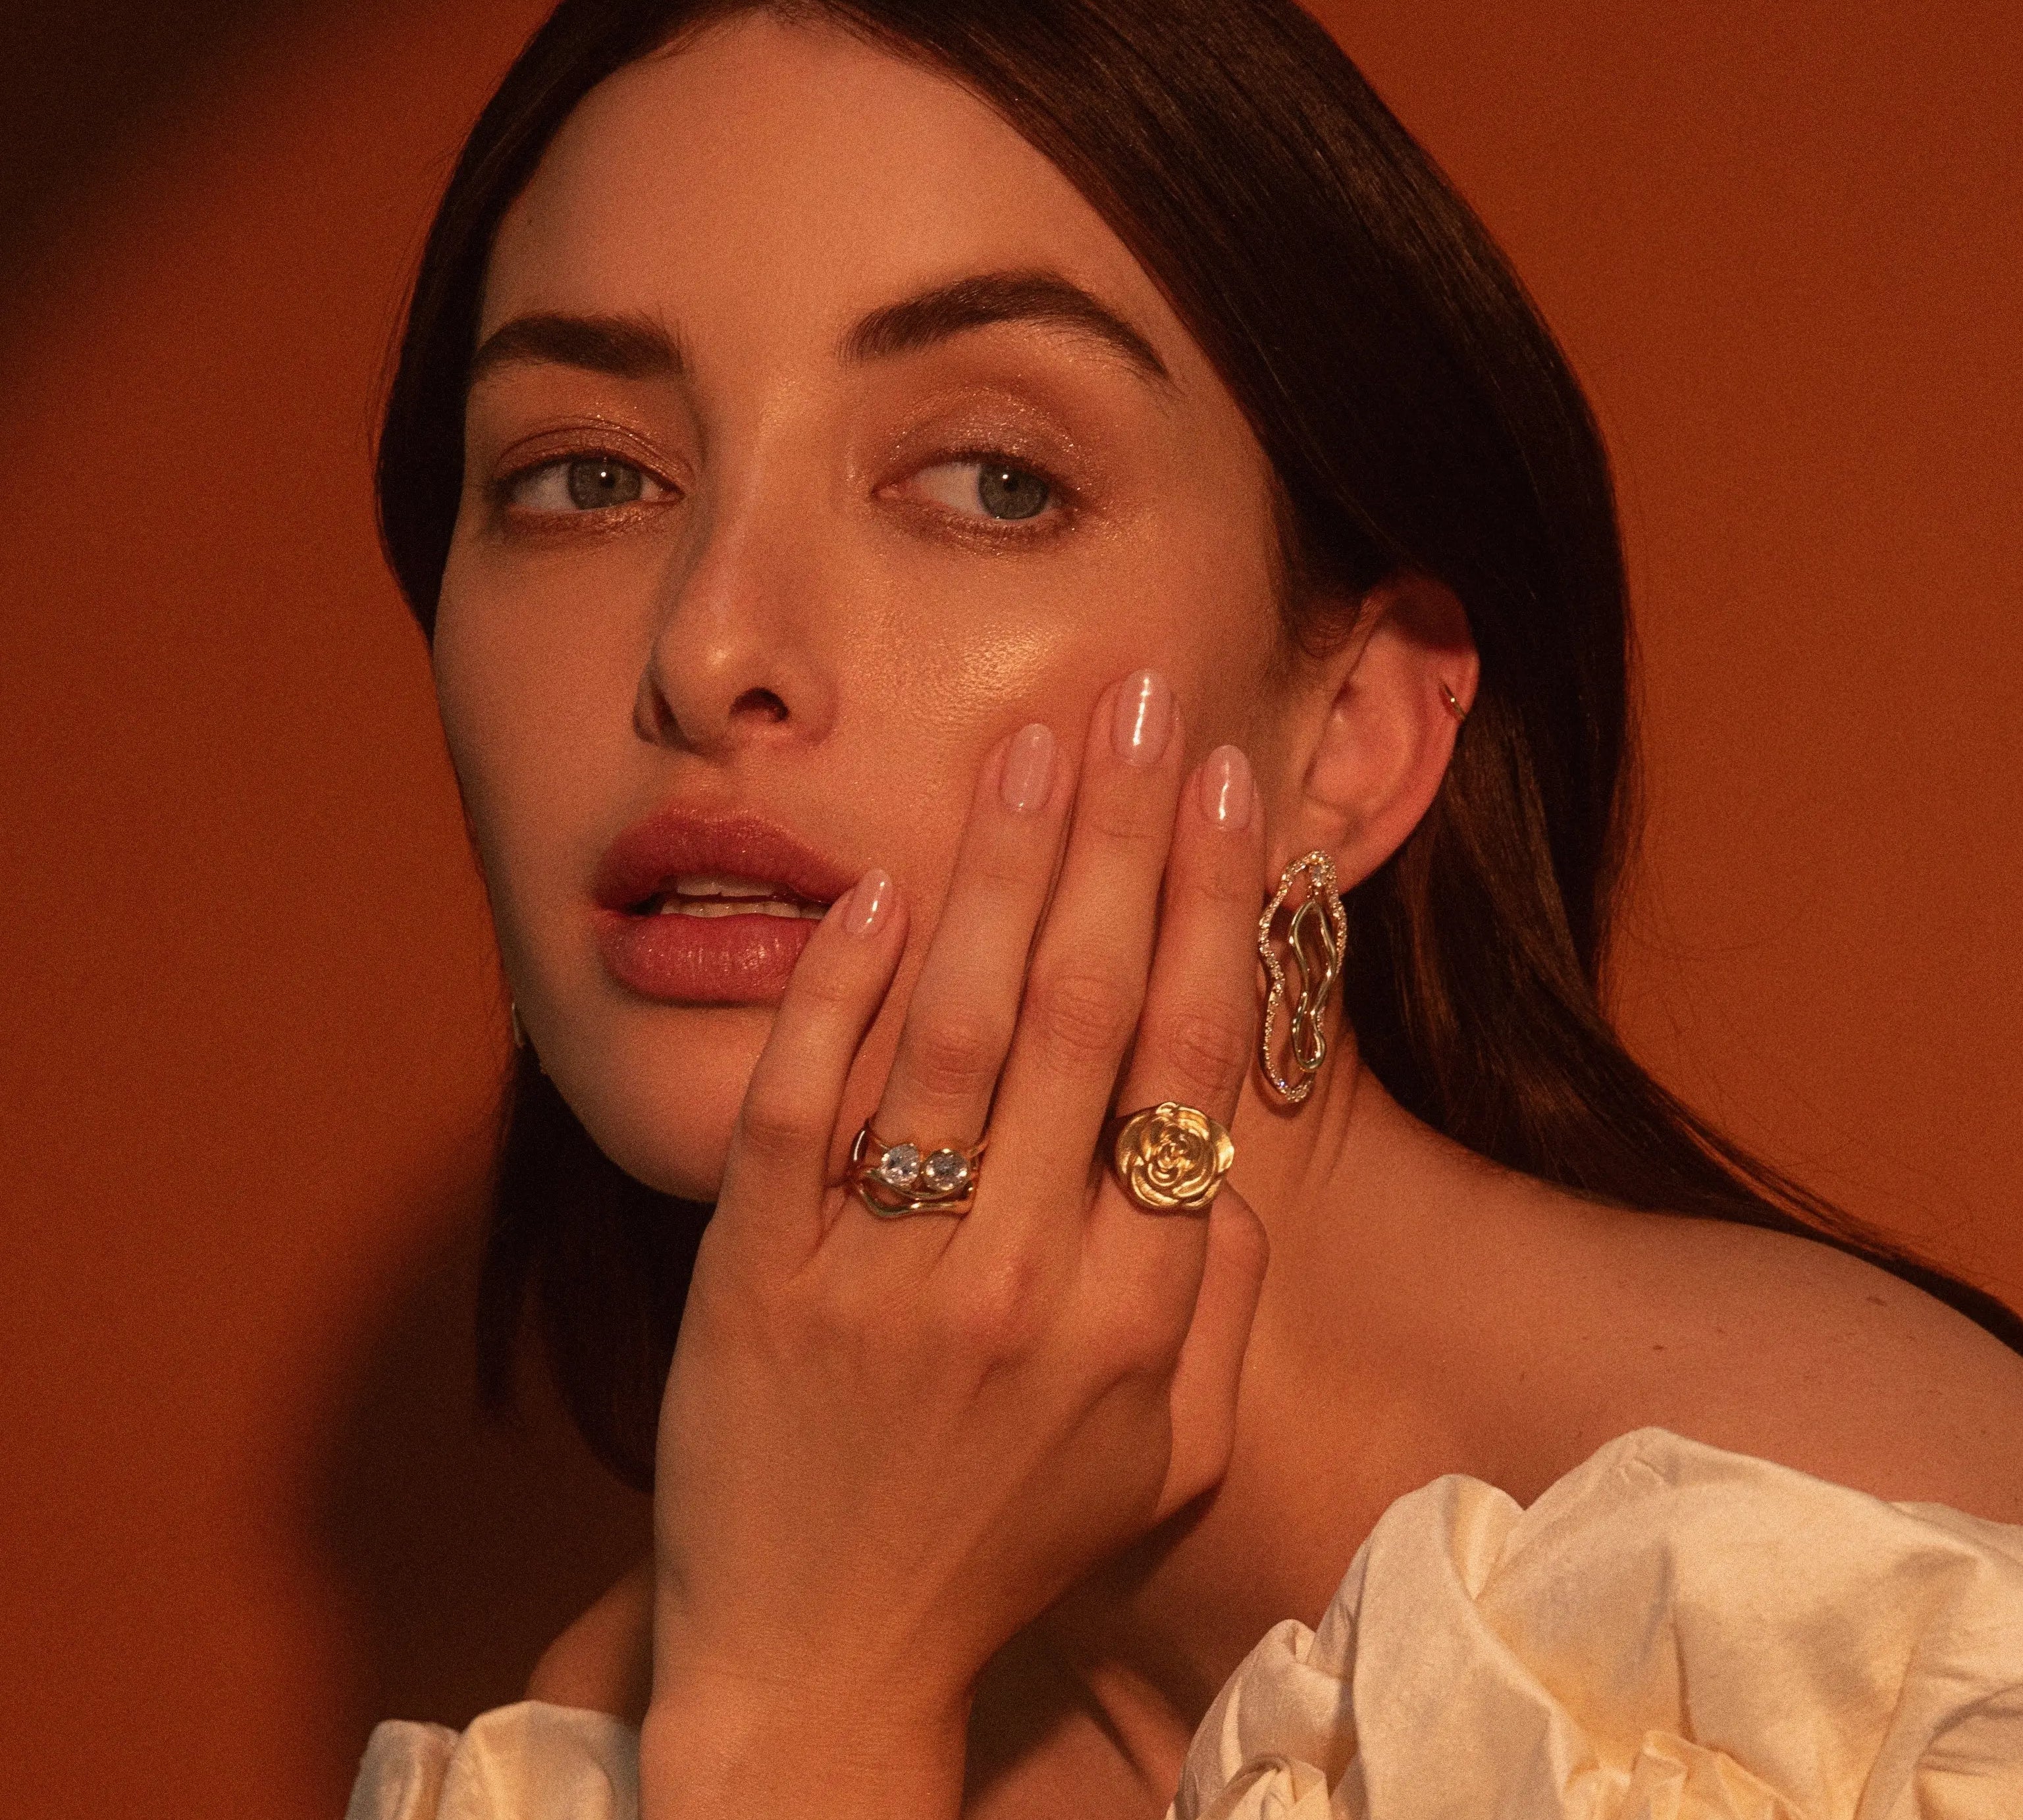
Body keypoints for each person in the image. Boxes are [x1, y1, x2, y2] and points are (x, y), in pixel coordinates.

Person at [347, 0, 2023, 1813]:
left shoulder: (1825, 1620)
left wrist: (799, 1704)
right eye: (584, 477)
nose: (704, 649)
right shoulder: (618, 1724)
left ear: (1356, 732)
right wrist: (798, 1686)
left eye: (992, 480)